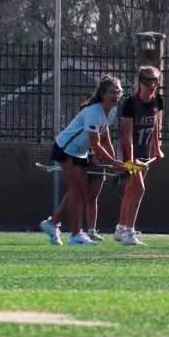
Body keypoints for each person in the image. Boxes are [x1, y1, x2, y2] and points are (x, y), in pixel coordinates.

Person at [40, 75, 123, 246]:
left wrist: (114, 160)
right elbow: (95, 143)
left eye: (118, 92)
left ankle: (52, 222)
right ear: (102, 94)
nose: (116, 96)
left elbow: (105, 137)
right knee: (77, 190)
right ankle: (76, 234)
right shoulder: (93, 112)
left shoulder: (112, 111)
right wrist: (114, 162)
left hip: (80, 153)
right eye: (112, 92)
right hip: (65, 149)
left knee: (75, 190)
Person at [114, 65, 164, 246]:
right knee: (139, 189)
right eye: (148, 82)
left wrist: (157, 147)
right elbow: (126, 136)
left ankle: (120, 229)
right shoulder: (130, 104)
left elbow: (156, 124)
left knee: (130, 191)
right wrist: (131, 160)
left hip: (144, 152)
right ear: (140, 82)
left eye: (155, 81)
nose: (152, 86)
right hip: (128, 152)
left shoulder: (158, 100)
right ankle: (129, 231)